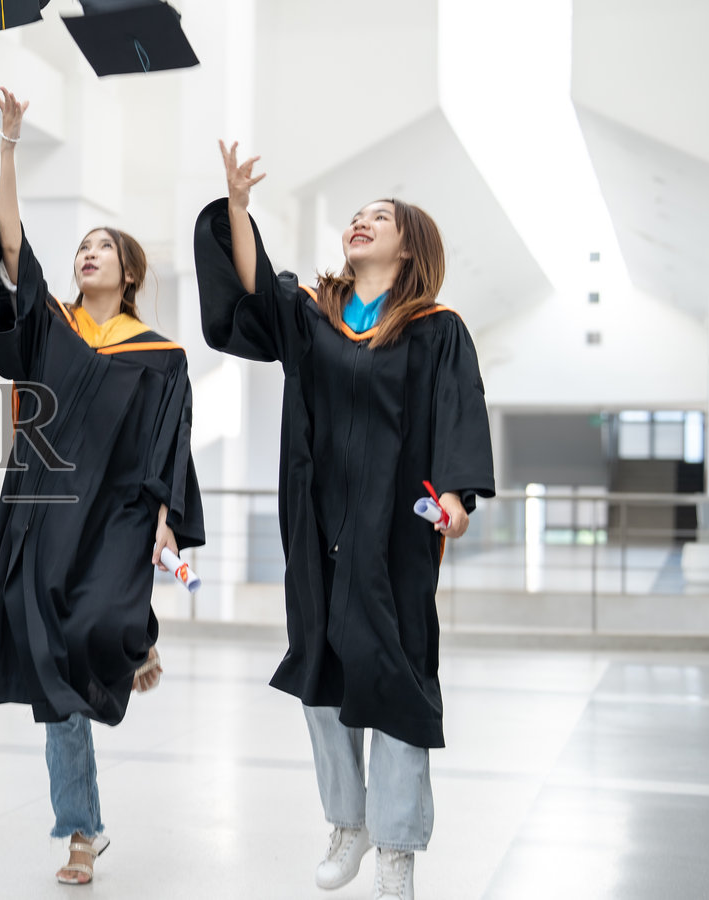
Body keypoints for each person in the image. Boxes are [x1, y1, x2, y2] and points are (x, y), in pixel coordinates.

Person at [195, 142, 495, 900]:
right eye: (356, 217)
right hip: (318, 523)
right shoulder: (313, 318)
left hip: (394, 530)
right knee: (321, 671)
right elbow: (256, 291)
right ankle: (348, 822)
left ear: (410, 242)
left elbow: (460, 409)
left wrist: (455, 494)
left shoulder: (436, 327)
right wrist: (237, 207)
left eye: (380, 217)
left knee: (394, 678)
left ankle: (396, 848)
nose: (361, 223)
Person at [0, 87, 206, 885]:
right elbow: (8, 251)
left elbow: (169, 440)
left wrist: (166, 519)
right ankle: (81, 830)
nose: (88, 252)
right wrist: (9, 145)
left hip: (119, 514)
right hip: (44, 508)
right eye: (82, 245)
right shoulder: (49, 327)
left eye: (104, 246)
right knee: (54, 675)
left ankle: (137, 637)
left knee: (98, 624)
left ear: (129, 270)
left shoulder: (160, 355)